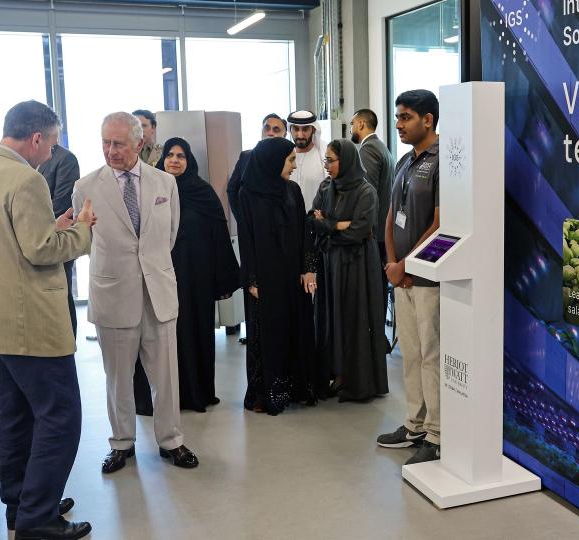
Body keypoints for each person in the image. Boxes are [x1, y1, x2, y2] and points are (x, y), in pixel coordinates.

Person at [0, 100, 94, 539]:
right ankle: (39, 518)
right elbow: (41, 251)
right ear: (36, 138)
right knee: (61, 416)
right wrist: (82, 231)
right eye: (52, 142)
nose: (53, 152)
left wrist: (51, 226)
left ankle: (21, 505)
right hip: (30, 322)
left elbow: (11, 240)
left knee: (16, 417)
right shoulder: (26, 179)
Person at [73, 112, 198, 474]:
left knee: (166, 376)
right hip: (113, 291)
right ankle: (121, 443)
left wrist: (150, 267)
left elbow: (169, 235)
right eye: (105, 143)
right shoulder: (86, 186)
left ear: (139, 144)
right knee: (118, 378)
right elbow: (87, 241)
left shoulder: (164, 184)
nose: (110, 151)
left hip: (157, 291)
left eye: (119, 144)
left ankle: (171, 439)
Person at [133, 137, 240, 414]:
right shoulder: (151, 190)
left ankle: (195, 393)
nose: (175, 160)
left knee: (193, 332)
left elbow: (218, 235)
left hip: (196, 279)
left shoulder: (202, 192)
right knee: (159, 337)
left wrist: (221, 278)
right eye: (170, 155)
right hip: (159, 276)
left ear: (189, 160)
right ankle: (160, 398)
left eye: (181, 155)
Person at [376, 90, 442, 465]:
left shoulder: (442, 160)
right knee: (411, 355)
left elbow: (439, 223)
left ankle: (436, 433)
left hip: (427, 278)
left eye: (406, 118)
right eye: (398, 117)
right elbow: (391, 215)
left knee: (431, 355)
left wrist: (407, 264)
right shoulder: (404, 160)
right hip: (401, 276)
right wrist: (391, 262)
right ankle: (414, 423)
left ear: (428, 119)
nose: (398, 124)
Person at [237, 137, 320, 415]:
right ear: (274, 162)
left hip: (291, 276)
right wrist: (250, 280)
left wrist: (308, 268)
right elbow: (246, 240)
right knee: (265, 335)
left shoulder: (292, 191)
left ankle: (295, 387)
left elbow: (304, 233)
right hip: (264, 279)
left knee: (293, 329)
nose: (294, 166)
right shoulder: (246, 195)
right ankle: (265, 392)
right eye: (290, 160)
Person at [310, 139, 388, 401]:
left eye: (331, 160)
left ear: (347, 161)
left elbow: (359, 231)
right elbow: (312, 220)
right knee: (331, 317)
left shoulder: (366, 192)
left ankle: (355, 378)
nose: (327, 166)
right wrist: (337, 225)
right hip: (330, 263)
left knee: (354, 317)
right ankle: (335, 372)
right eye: (326, 160)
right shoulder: (326, 187)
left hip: (357, 265)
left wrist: (329, 225)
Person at [350, 109, 395, 310]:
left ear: (361, 124)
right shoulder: (381, 147)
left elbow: (367, 194)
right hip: (383, 229)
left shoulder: (367, 149)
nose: (351, 128)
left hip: (374, 232)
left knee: (374, 288)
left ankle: (374, 336)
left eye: (352, 123)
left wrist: (362, 228)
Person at [38, 143, 81, 336]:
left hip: (58, 238)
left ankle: (68, 345)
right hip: (34, 243)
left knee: (62, 297)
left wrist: (31, 223)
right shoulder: (23, 160)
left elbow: (63, 202)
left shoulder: (65, 159)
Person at [226, 113, 287, 223]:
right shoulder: (246, 157)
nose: (270, 133)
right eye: (266, 128)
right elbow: (232, 190)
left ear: (285, 134)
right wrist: (242, 219)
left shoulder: (289, 160)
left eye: (276, 130)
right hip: (253, 223)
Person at [286, 110, 327, 206]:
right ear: (290, 129)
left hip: (315, 217)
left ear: (313, 129)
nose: (300, 135)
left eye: (305, 129)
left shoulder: (324, 155)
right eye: (295, 129)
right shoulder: (283, 156)